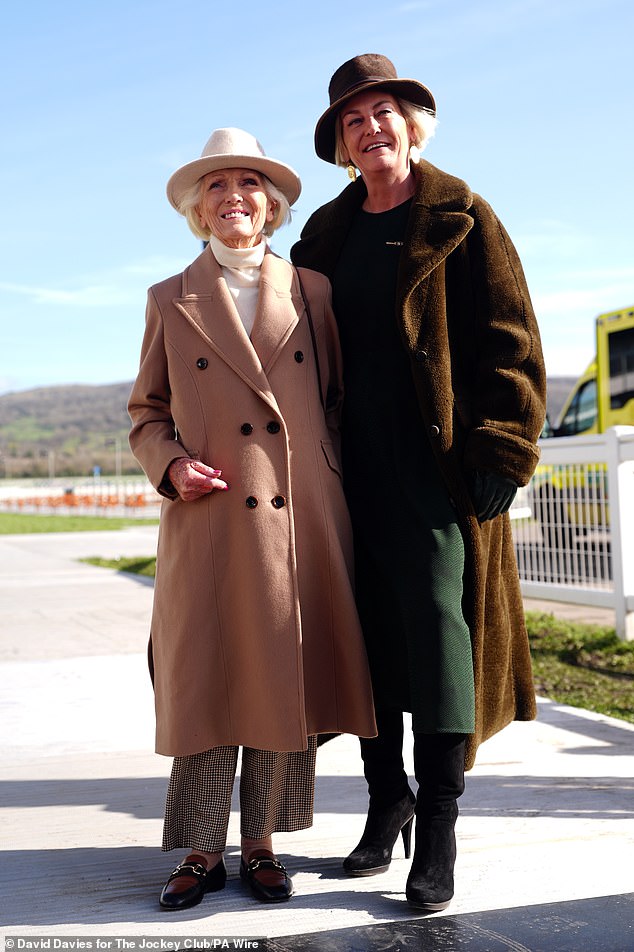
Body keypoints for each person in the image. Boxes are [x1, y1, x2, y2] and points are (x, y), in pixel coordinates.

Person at [291, 54, 546, 912]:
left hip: (436, 470)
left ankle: (436, 827)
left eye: (385, 113)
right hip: (344, 469)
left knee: (439, 636)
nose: (372, 129)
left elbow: (511, 340)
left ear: (414, 124)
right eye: (354, 121)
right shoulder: (322, 237)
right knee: (367, 640)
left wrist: (502, 450)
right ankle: (384, 800)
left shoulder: (464, 217)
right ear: (341, 143)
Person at [128, 127, 376, 911]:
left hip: (295, 517)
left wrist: (325, 485)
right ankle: (203, 850)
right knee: (209, 678)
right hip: (209, 518)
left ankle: (264, 844)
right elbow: (146, 411)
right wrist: (169, 463)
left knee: (280, 675)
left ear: (271, 204)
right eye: (216, 186)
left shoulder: (311, 290)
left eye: (248, 183)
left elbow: (334, 400)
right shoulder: (168, 297)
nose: (233, 195)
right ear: (198, 211)